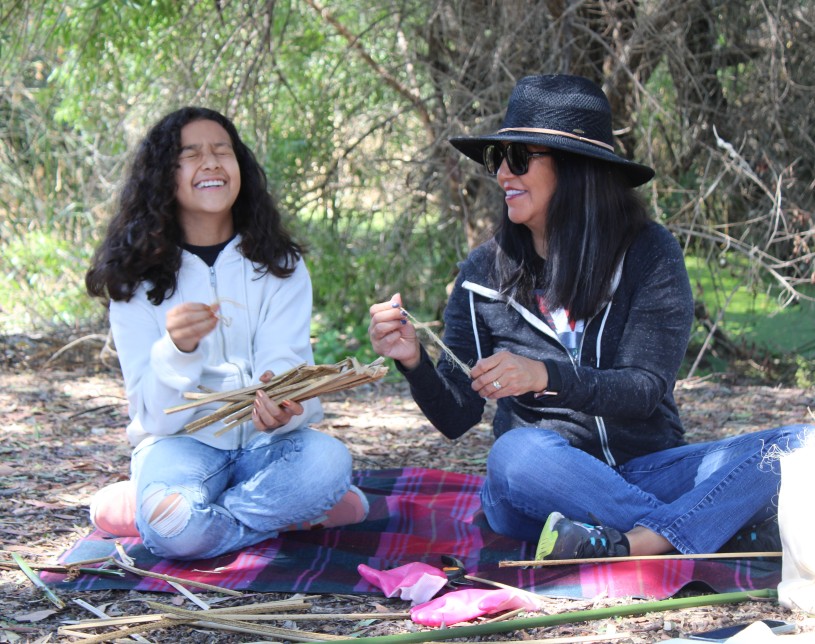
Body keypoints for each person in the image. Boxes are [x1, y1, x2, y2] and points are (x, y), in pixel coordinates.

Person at [368, 74, 810, 560]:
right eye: (499, 160)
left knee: (801, 443)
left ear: (576, 168)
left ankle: (642, 541)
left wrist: (544, 376)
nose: (501, 176)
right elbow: (457, 415)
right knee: (515, 454)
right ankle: (697, 530)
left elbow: (644, 389)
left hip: (647, 470)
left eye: (518, 159)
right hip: (541, 487)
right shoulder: (482, 275)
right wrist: (413, 361)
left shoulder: (648, 253)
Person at [85, 106, 367, 560]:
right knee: (176, 522)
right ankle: (283, 513)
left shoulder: (280, 266)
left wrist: (284, 405)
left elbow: (290, 364)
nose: (212, 163)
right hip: (180, 450)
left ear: (241, 168)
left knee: (329, 462)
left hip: (267, 446)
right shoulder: (134, 278)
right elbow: (153, 417)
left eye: (223, 151)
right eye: (191, 154)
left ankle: (167, 515)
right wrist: (177, 350)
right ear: (163, 176)